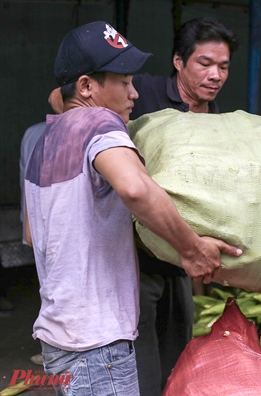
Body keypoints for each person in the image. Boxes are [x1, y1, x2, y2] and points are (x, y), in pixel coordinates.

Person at [25, 21, 241, 395]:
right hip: (100, 342)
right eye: (124, 83)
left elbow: (31, 235)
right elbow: (136, 188)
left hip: (61, 335)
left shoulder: (45, 139)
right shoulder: (99, 120)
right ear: (87, 87)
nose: (134, 93)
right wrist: (191, 250)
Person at [129, 17, 238, 396]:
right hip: (134, 261)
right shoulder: (141, 91)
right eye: (204, 63)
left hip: (180, 263)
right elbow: (64, 100)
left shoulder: (219, 122)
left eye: (223, 67)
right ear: (179, 61)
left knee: (177, 364)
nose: (216, 75)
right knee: (140, 369)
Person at [19, 121, 46, 366]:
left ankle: (50, 349)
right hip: (52, 224)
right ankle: (53, 350)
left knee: (47, 289)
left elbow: (25, 180)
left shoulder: (32, 132)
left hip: (35, 219)